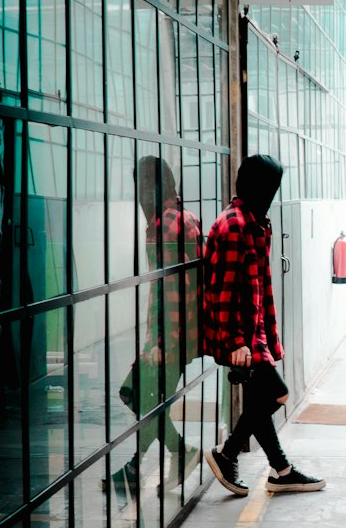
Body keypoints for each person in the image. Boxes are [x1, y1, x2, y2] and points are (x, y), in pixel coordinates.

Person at [202, 154, 325, 496]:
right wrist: (237, 342)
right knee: (277, 393)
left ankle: (278, 470)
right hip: (242, 338)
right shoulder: (234, 225)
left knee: (262, 399)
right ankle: (230, 455)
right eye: (270, 186)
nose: (272, 193)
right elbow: (223, 291)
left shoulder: (253, 220)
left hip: (253, 335)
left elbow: (252, 285)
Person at [109, 157, 203, 502]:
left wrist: (158, 341)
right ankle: (135, 467)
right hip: (187, 332)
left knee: (137, 396)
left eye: (140, 186)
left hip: (169, 336)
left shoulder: (162, 225)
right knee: (150, 401)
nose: (138, 194)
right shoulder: (186, 217)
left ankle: (181, 451)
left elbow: (167, 288)